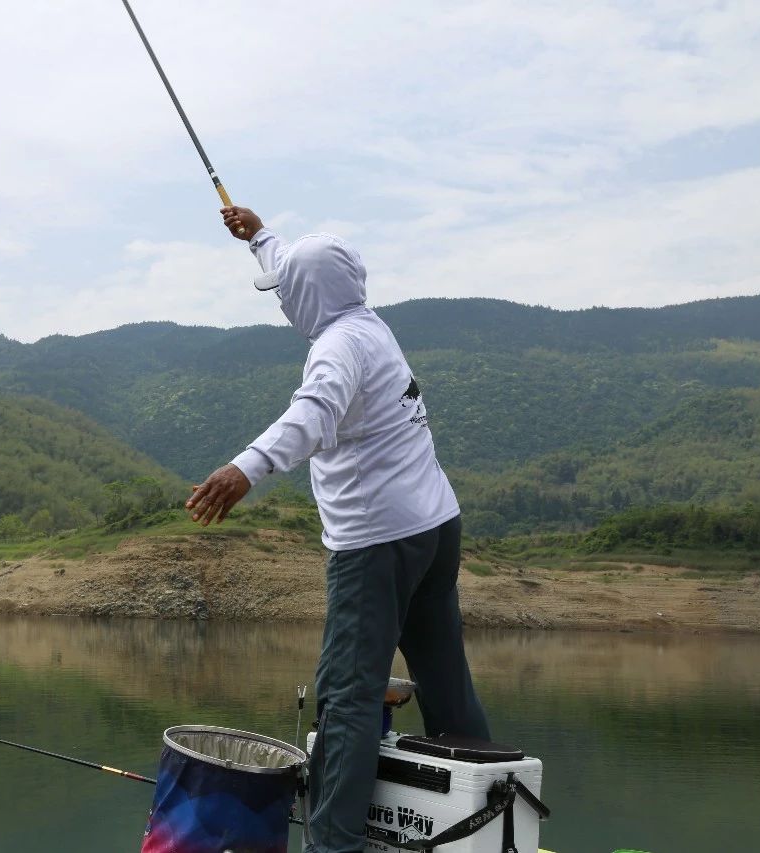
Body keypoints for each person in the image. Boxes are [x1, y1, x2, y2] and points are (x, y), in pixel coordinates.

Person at [185, 206, 492, 853]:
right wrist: (259, 237)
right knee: (442, 677)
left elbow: (314, 413)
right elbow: (299, 275)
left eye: (285, 294)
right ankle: (490, 821)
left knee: (348, 696)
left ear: (305, 298)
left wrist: (246, 468)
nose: (282, 303)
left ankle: (333, 846)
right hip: (436, 527)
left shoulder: (335, 349)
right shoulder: (365, 324)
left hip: (377, 544)